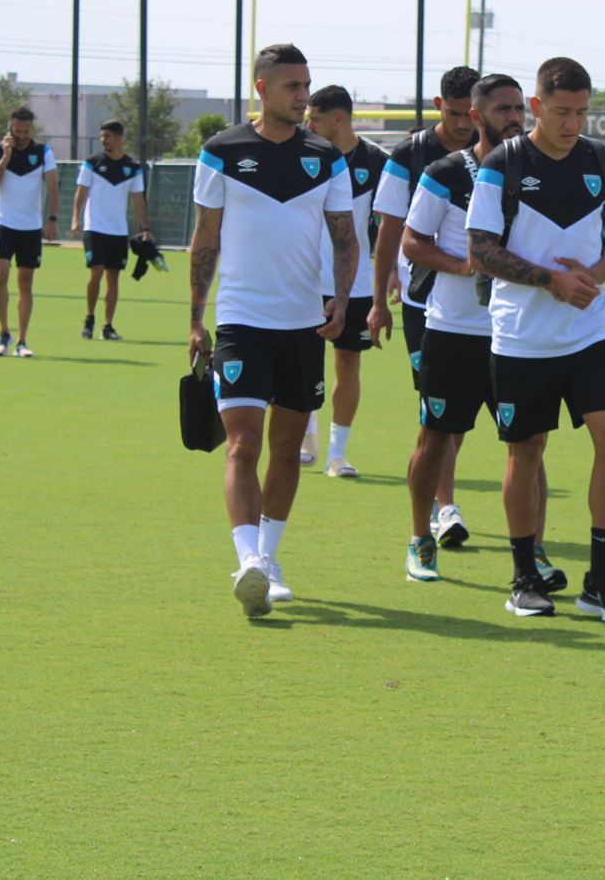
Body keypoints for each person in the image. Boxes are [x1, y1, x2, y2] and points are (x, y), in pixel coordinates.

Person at [466, 56, 605, 621]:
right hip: (522, 337)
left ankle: (600, 579)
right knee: (527, 450)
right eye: (562, 112)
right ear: (537, 107)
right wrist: (550, 280)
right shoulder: (502, 164)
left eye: (582, 113)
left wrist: (590, 280)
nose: (573, 124)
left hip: (590, 332)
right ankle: (523, 577)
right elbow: (481, 251)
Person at [189, 43, 357, 619]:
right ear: (262, 87)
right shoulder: (220, 152)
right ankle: (248, 562)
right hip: (240, 321)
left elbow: (344, 237)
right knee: (242, 445)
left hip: (303, 325)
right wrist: (195, 316)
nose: (303, 95)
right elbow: (205, 239)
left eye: (306, 84)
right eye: (292, 85)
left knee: (287, 452)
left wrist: (340, 299)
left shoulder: (325, 156)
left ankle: (270, 558)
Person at [400, 73, 556, 583]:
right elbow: (412, 242)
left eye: (518, 108)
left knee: (528, 445)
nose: (514, 117)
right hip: (454, 330)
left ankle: (533, 549)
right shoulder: (446, 172)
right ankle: (421, 538)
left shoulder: (539, 169)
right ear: (475, 116)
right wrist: (464, 265)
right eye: (503, 109)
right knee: (435, 438)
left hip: (518, 330)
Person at [368, 65, 479, 543]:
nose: (461, 125)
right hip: (424, 301)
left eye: (468, 114)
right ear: (439, 106)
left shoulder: (500, 150)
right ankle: (445, 507)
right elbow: (390, 230)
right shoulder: (410, 154)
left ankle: (440, 499)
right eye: (453, 114)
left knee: (456, 423)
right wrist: (378, 301)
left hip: (487, 307)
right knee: (434, 412)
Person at [303, 85, 387, 478]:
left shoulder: (377, 161)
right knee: (301, 361)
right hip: (302, 276)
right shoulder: (302, 153)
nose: (308, 124)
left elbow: (390, 226)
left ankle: (338, 453)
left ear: (338, 118)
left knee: (348, 361)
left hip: (355, 281)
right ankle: (307, 432)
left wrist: (395, 276)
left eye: (314, 118)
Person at [0, 107, 59, 357]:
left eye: (26, 131)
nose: (22, 136)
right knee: (0, 275)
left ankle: (22, 341)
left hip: (30, 226)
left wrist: (52, 219)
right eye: (17, 131)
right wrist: (5, 157)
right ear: (10, 127)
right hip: (3, 223)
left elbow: (52, 186)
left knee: (25, 281)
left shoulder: (42, 152)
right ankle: (4, 332)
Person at [71, 119, 152, 341]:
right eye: (102, 136)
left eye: (107, 136)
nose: (103, 140)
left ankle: (107, 326)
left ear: (119, 138)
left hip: (118, 232)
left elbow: (138, 200)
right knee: (96, 272)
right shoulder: (92, 163)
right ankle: (89, 319)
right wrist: (75, 219)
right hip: (94, 228)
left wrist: (146, 228)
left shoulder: (133, 168)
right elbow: (81, 192)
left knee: (113, 277)